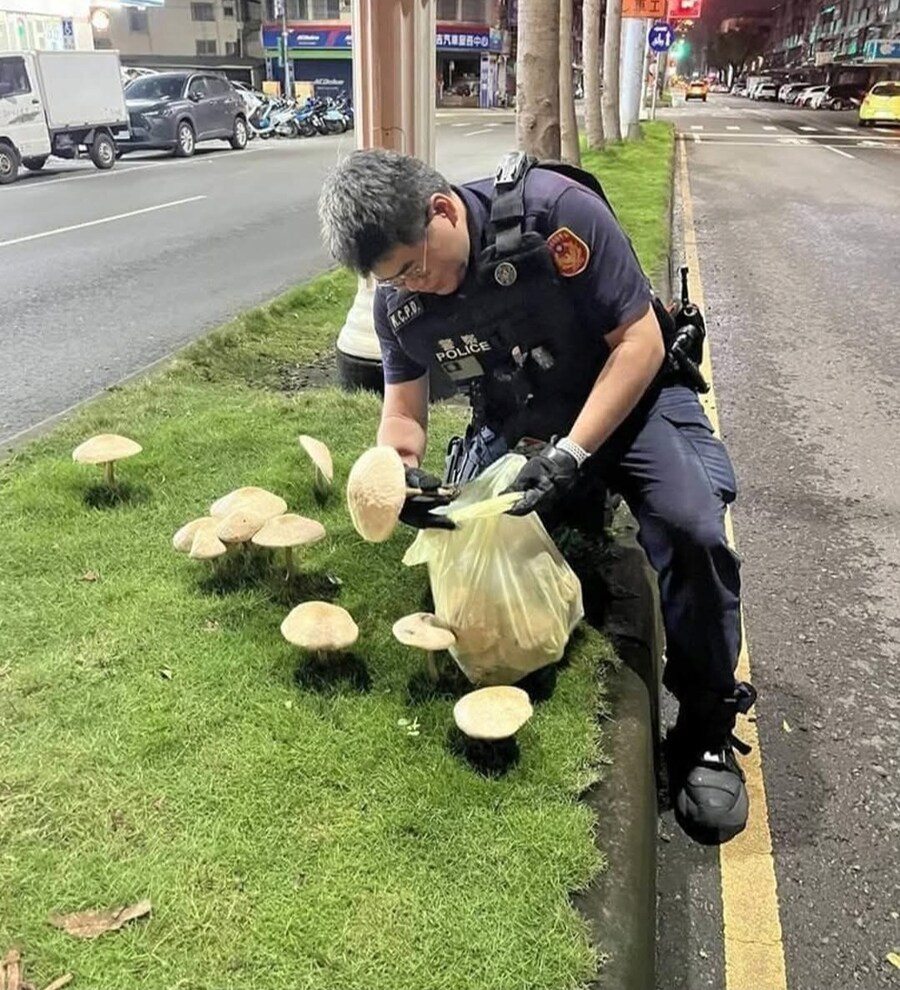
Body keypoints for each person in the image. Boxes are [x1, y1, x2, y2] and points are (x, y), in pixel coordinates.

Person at [318, 148, 756, 845]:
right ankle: (575, 510)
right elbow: (403, 417)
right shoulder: (400, 302)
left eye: (413, 266)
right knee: (469, 537)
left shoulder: (554, 214)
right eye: (392, 279)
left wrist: (573, 454)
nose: (412, 288)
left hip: (634, 400)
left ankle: (705, 727)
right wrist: (398, 471)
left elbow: (640, 342)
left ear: (440, 211)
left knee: (692, 525)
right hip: (525, 421)